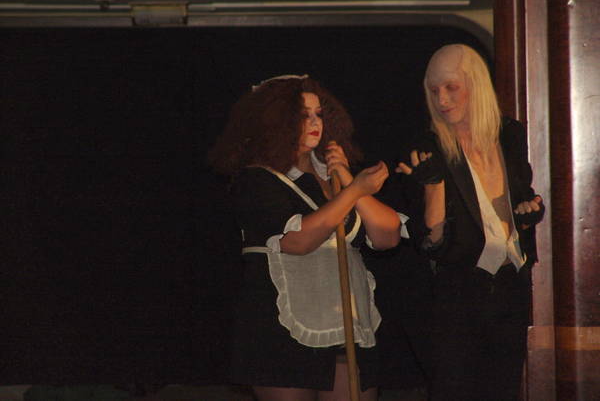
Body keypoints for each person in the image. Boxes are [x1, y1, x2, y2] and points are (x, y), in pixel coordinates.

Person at [208, 74, 406, 401]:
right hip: (282, 330)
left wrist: (346, 179)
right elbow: (299, 241)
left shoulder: (335, 178)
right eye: (302, 115)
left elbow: (388, 236)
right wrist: (354, 191)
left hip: (344, 324)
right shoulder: (257, 180)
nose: (314, 122)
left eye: (318, 114)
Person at [396, 44, 545, 401]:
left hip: (511, 286)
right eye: (434, 91)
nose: (442, 100)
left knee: (504, 390)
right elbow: (431, 244)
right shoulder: (427, 147)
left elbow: (523, 197)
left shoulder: (510, 135)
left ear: (475, 84)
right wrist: (433, 185)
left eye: (451, 87)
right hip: (455, 296)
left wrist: (528, 214)